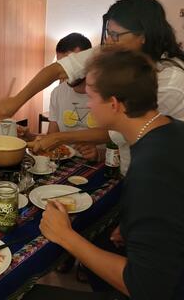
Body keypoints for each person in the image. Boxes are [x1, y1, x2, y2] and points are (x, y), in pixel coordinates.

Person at [24, 48, 184, 300]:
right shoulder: (170, 130)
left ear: (114, 104)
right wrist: (133, 227)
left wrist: (66, 236)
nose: (88, 105)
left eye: (91, 97)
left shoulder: (151, 171)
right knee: (101, 236)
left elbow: (146, 288)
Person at [0, 0, 184, 174]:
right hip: (130, 167)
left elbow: (121, 129)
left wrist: (59, 137)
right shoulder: (117, 52)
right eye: (108, 33)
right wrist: (16, 101)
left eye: (116, 35)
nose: (108, 41)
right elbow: (58, 69)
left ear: (143, 35)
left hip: (159, 170)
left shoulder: (170, 81)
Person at [20, 33, 100, 161]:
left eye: (71, 65)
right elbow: (52, 137)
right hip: (64, 162)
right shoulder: (58, 93)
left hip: (98, 164)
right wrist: (29, 136)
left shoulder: (106, 93)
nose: (65, 72)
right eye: (61, 66)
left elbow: (119, 140)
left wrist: (99, 154)